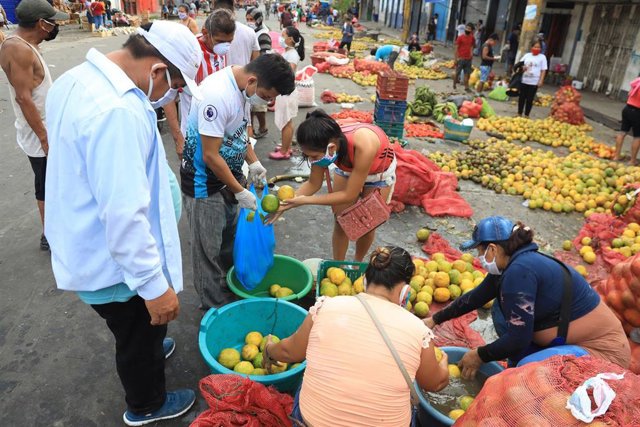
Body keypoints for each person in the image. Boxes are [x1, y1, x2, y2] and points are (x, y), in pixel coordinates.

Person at [45, 21, 204, 425]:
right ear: (157, 71)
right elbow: (123, 215)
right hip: (118, 265)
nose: (173, 95)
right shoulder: (116, 111)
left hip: (92, 243)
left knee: (139, 331)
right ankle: (146, 404)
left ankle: (149, 346)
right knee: (137, 333)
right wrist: (154, 288)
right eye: (177, 86)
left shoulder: (76, 80)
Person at [263, 246, 449, 426]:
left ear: (365, 281)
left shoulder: (326, 306)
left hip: (310, 422)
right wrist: (443, 365)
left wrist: (270, 349)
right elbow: (435, 383)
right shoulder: (418, 330)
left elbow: (288, 352)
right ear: (405, 293)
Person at [425, 216, 631, 376]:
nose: (479, 258)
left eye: (480, 251)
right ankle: (521, 360)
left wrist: (480, 355)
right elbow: (476, 297)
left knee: (526, 373)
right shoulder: (512, 264)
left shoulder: (521, 271)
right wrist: (435, 319)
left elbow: (518, 338)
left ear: (493, 248)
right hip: (559, 335)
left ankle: (524, 363)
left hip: (601, 354)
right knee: (501, 307)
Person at [181, 54, 295, 309]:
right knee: (207, 252)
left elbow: (238, 130)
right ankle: (213, 309)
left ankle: (228, 289)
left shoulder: (243, 88)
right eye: (267, 96)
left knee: (229, 243)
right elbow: (210, 155)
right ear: (253, 80)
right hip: (204, 184)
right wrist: (240, 191)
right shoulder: (217, 95)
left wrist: (253, 161)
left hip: (229, 179)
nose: (269, 101)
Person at [269, 110, 396, 261]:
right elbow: (313, 184)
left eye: (314, 157)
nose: (312, 160)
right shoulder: (320, 143)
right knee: (341, 220)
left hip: (378, 172)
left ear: (332, 147)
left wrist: (304, 200)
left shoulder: (364, 146)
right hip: (347, 169)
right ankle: (337, 266)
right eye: (308, 156)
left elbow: (349, 195)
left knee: (367, 224)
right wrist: (285, 205)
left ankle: (358, 262)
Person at [0, 0, 69, 251]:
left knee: (53, 181)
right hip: (39, 131)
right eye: (52, 22)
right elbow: (24, 98)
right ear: (41, 23)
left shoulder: (21, 44)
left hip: (42, 127)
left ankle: (56, 229)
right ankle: (49, 235)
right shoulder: (19, 50)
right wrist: (44, 137)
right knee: (46, 183)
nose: (54, 27)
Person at [165, 8, 235, 159]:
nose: (225, 46)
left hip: (218, 131)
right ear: (205, 32)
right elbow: (168, 96)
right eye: (220, 41)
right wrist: (178, 138)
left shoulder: (222, 51)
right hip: (192, 133)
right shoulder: (188, 53)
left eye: (230, 41)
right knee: (195, 179)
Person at [270, 26, 304, 160]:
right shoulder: (288, 52)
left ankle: (284, 151)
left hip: (287, 91)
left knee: (286, 122)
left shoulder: (292, 55)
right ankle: (286, 146)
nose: (280, 38)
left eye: (283, 35)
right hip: (285, 91)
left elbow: (288, 73)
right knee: (287, 121)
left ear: (290, 39)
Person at [246, 7, 272, 139]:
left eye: (252, 19)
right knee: (250, 105)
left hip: (261, 74)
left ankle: (263, 127)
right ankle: (250, 129)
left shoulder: (263, 34)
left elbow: (265, 55)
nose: (249, 22)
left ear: (258, 19)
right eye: (247, 19)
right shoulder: (251, 32)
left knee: (259, 106)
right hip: (251, 72)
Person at [214, 0, 259, 66]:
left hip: (218, 75)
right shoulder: (250, 32)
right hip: (243, 75)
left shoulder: (209, 33)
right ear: (233, 11)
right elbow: (255, 62)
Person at [517, 40, 547, 118]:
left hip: (534, 82)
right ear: (531, 47)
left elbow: (543, 70)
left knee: (530, 99)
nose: (536, 48)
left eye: (538, 47)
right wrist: (522, 68)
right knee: (521, 97)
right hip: (524, 80)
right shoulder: (527, 55)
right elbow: (519, 65)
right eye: (535, 47)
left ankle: (527, 115)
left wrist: (541, 80)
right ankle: (519, 113)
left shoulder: (542, 57)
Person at [614, 76, 640, 164]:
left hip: (627, 109)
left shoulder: (636, 81)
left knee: (622, 132)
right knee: (637, 136)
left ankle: (616, 156)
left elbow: (629, 93)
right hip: (637, 112)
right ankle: (632, 161)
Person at [453, 22, 474, 91]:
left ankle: (466, 87)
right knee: (457, 73)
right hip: (461, 58)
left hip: (468, 59)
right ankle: (454, 84)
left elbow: (472, 46)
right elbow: (456, 48)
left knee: (467, 74)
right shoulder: (460, 37)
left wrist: (471, 54)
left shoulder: (472, 38)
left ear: (471, 30)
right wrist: (455, 59)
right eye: (467, 28)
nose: (467, 30)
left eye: (469, 29)